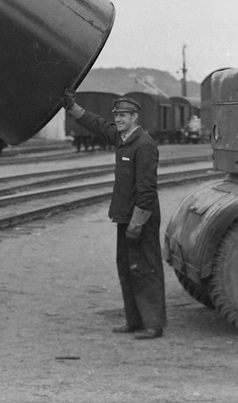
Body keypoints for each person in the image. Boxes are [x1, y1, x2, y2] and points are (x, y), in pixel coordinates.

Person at [63, 92, 166, 339]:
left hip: (141, 219)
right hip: (124, 216)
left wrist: (137, 222)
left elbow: (147, 190)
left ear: (134, 117)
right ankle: (134, 321)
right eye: (117, 116)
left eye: (123, 116)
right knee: (127, 268)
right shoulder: (124, 139)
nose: (118, 120)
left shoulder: (144, 145)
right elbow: (98, 125)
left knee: (145, 268)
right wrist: (73, 108)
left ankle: (153, 325)